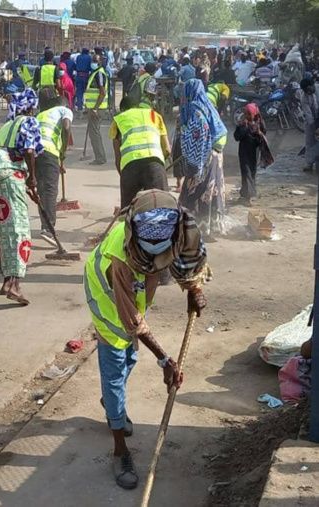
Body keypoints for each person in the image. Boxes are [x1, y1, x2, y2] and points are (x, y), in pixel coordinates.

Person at [84, 188, 207, 490]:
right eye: (150, 249)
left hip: (135, 295)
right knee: (114, 371)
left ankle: (112, 403)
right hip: (108, 302)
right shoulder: (121, 259)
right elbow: (132, 323)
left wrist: (194, 291)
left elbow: (189, 260)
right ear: (136, 238)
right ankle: (119, 450)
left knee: (131, 358)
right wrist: (166, 359)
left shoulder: (183, 226)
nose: (157, 255)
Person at [0, 88, 42, 305]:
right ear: (31, 106)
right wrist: (32, 180)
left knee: (3, 229)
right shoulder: (29, 122)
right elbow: (30, 150)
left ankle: (6, 280)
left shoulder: (4, 127)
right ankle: (14, 285)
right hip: (12, 176)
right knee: (19, 229)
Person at [176, 79, 228, 239]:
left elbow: (200, 136)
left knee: (195, 192)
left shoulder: (196, 110)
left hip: (203, 157)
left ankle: (191, 229)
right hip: (214, 155)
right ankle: (208, 227)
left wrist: (196, 166)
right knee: (210, 192)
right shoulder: (207, 106)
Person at [110, 96, 171, 208]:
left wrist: (125, 179)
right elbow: (167, 149)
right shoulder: (154, 116)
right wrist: (158, 166)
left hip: (130, 168)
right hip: (155, 166)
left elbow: (118, 159)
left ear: (123, 109)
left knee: (129, 213)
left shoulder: (118, 119)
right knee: (162, 209)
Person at [34, 94, 72, 248]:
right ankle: (48, 228)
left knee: (42, 189)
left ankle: (45, 224)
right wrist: (63, 151)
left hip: (34, 152)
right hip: (49, 151)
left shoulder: (41, 114)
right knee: (50, 190)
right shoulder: (64, 110)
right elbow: (66, 126)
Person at [234, 103, 269, 206]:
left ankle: (248, 197)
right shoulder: (247, 123)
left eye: (249, 114)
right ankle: (245, 194)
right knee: (247, 173)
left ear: (253, 113)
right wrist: (242, 126)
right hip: (246, 152)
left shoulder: (256, 123)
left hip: (251, 152)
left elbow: (262, 135)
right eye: (246, 113)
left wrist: (245, 127)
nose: (247, 116)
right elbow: (237, 137)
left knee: (249, 173)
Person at [85, 54, 109, 165]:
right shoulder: (96, 73)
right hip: (94, 108)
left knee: (94, 133)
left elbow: (102, 93)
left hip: (97, 108)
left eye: (95, 60)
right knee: (94, 132)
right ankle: (99, 156)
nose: (93, 63)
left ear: (99, 62)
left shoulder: (99, 74)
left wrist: (94, 108)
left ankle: (100, 158)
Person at [298, 78, 318, 172]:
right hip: (311, 122)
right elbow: (308, 114)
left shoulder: (317, 90)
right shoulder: (304, 97)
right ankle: (309, 163)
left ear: (313, 85)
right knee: (310, 142)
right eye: (306, 91)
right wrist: (315, 128)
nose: (309, 92)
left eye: (309, 89)